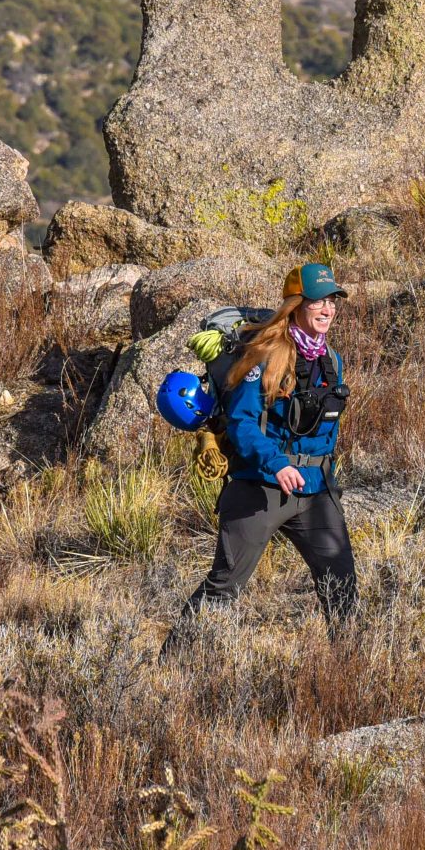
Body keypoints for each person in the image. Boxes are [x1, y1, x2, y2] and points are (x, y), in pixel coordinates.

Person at [180, 262, 358, 628]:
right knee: (223, 588)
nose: (328, 309)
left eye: (332, 301)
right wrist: (276, 463)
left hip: (316, 489)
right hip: (260, 487)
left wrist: (328, 480)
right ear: (296, 306)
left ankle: (350, 660)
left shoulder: (331, 360)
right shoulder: (265, 356)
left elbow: (328, 430)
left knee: (342, 590)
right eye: (318, 301)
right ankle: (176, 658)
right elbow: (243, 421)